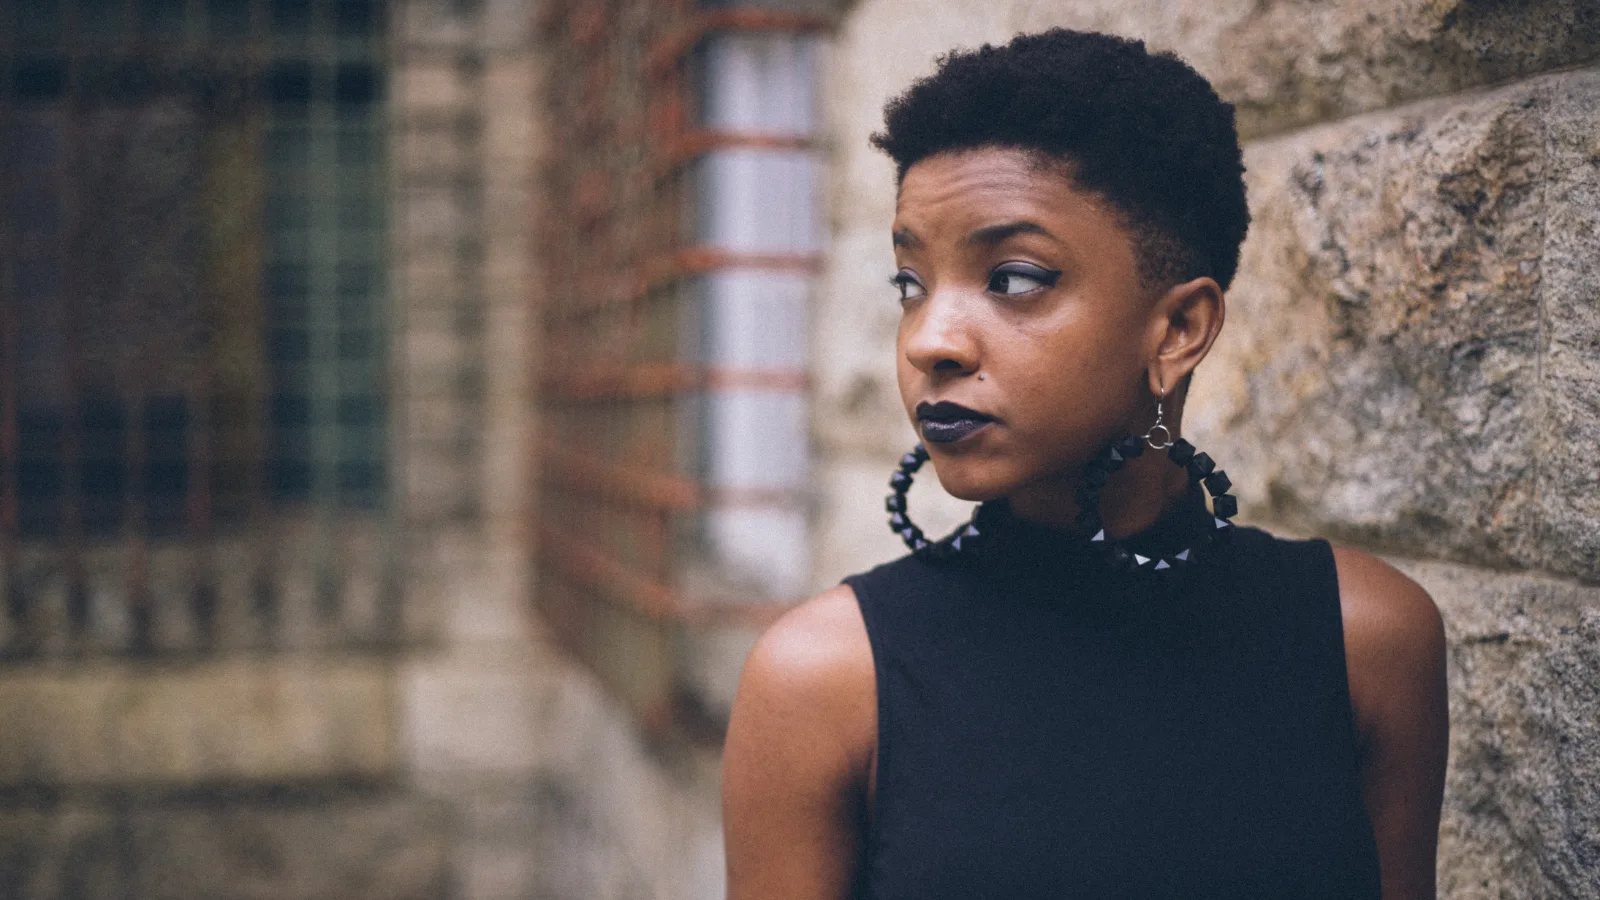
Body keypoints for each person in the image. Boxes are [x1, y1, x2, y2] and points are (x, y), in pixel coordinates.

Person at [721, 28, 1449, 900]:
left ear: (1177, 330)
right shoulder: (824, 681)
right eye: (910, 283)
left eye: (1014, 278)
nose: (929, 340)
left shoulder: (1365, 641)